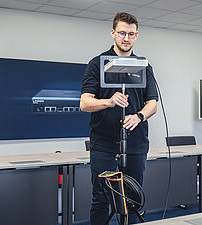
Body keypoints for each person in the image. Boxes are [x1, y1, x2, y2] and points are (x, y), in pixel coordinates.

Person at [80, 12, 158, 225]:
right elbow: (84, 103)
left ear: (136, 35)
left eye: (131, 34)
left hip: (135, 143)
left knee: (133, 199)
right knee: (101, 199)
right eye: (122, 33)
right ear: (113, 33)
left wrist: (139, 116)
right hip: (104, 144)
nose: (126, 38)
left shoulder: (144, 66)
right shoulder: (97, 64)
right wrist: (108, 101)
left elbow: (153, 103)